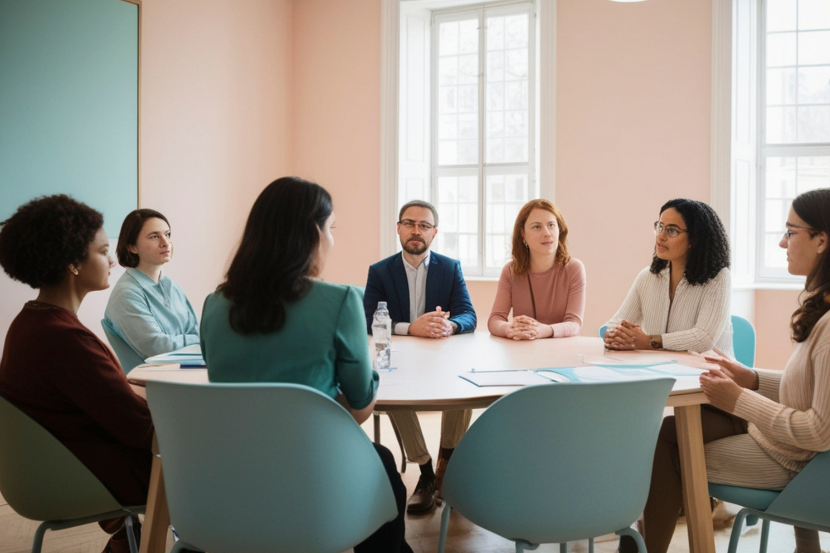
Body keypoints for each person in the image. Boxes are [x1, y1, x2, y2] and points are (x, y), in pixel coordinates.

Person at [200, 177, 412, 553]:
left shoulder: (213, 305)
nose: (332, 240)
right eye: (331, 229)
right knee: (382, 463)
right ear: (314, 233)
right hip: (311, 472)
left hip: (231, 471)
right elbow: (361, 407)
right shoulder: (341, 301)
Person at [619, 188, 830, 553]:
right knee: (667, 437)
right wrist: (752, 379)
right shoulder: (821, 309)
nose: (782, 242)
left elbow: (819, 432)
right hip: (783, 447)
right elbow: (806, 388)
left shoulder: (827, 326)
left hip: (794, 464)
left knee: (667, 450)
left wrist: (740, 399)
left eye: (791, 232)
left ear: (821, 241)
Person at [0, 195, 153, 553]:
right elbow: (139, 429)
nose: (112, 260)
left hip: (58, 471)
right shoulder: (63, 338)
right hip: (93, 476)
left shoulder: (30, 323)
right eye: (102, 251)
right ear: (72, 263)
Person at [363, 199, 477, 514]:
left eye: (424, 225)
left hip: (441, 357)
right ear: (398, 228)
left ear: (434, 232)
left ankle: (447, 464)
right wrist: (411, 327)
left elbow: (469, 315)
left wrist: (448, 325)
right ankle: (425, 471)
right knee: (390, 388)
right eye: (410, 223)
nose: (416, 231)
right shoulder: (380, 271)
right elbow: (367, 317)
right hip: (400, 359)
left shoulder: (450, 267)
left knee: (464, 388)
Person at [603, 198, 733, 355]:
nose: (661, 237)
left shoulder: (719, 278)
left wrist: (649, 341)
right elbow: (615, 325)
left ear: (694, 239)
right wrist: (614, 335)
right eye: (660, 227)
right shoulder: (647, 277)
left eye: (672, 230)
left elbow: (703, 339)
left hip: (709, 374)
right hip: (659, 369)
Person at [103, 209, 199, 370]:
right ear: (132, 247)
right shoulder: (126, 293)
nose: (165, 242)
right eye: (154, 237)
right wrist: (197, 340)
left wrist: (197, 340)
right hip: (156, 383)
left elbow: (194, 331)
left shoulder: (171, 285)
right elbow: (157, 346)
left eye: (167, 235)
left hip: (186, 371)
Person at [488, 199, 586, 339]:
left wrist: (543, 330)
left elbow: (574, 323)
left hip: (561, 351)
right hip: (523, 350)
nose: (547, 233)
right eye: (537, 227)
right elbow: (495, 319)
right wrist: (509, 329)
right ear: (523, 234)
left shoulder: (574, 269)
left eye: (551, 225)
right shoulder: (510, 271)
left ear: (560, 229)